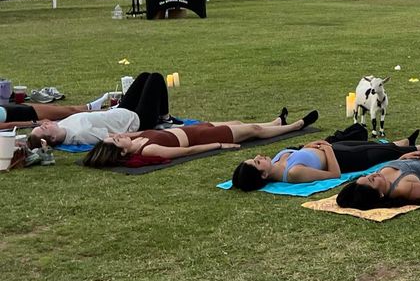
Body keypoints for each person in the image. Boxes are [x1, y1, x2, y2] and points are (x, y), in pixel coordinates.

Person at [230, 126, 420, 190]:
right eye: (257, 162)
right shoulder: (293, 174)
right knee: (382, 153)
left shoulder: (278, 160)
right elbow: (334, 174)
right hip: (341, 158)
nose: (259, 156)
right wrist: (328, 151)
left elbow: (301, 152)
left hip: (333, 148)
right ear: (264, 174)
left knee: (373, 144)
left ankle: (404, 141)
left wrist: (310, 145)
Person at [82, 109, 318, 168]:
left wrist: (110, 138)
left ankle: (276, 123)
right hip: (203, 136)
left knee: (238, 123)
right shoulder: (147, 151)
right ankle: (296, 126)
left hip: (197, 128)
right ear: (122, 152)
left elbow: (116, 135)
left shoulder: (136, 139)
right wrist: (219, 145)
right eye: (116, 142)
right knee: (253, 130)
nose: (118, 137)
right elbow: (185, 152)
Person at [27, 72, 173, 147]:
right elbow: (114, 136)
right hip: (138, 120)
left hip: (119, 112)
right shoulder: (80, 134)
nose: (44, 124)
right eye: (44, 128)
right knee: (156, 78)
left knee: (144, 76)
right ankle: (166, 119)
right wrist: (149, 133)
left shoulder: (60, 125)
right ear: (52, 138)